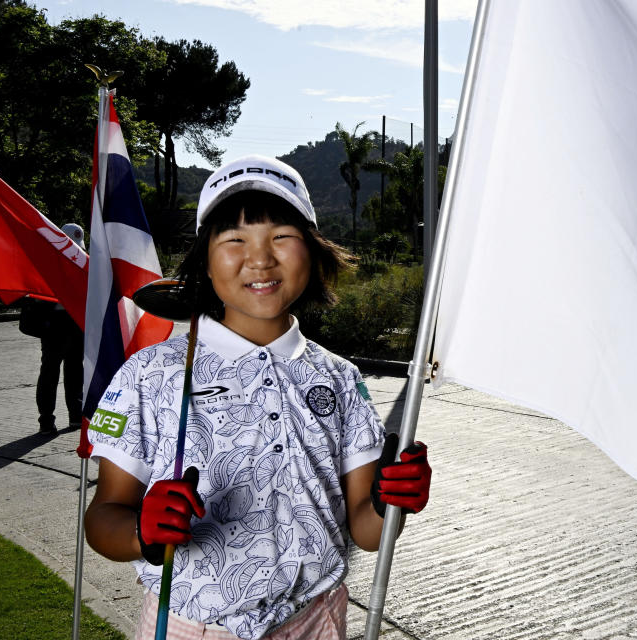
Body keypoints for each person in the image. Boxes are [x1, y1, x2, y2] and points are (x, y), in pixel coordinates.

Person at [83, 156, 432, 640]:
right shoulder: (151, 373)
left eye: (282, 237)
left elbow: (367, 532)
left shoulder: (340, 378)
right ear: (205, 259)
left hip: (316, 620)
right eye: (235, 240)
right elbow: (103, 519)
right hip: (195, 627)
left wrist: (392, 504)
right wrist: (141, 530)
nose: (261, 258)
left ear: (312, 250)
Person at [25, 222, 85, 435]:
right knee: (51, 374)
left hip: (75, 326)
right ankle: (47, 421)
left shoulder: (83, 264)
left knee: (74, 373)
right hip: (55, 328)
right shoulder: (46, 266)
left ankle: (74, 416)